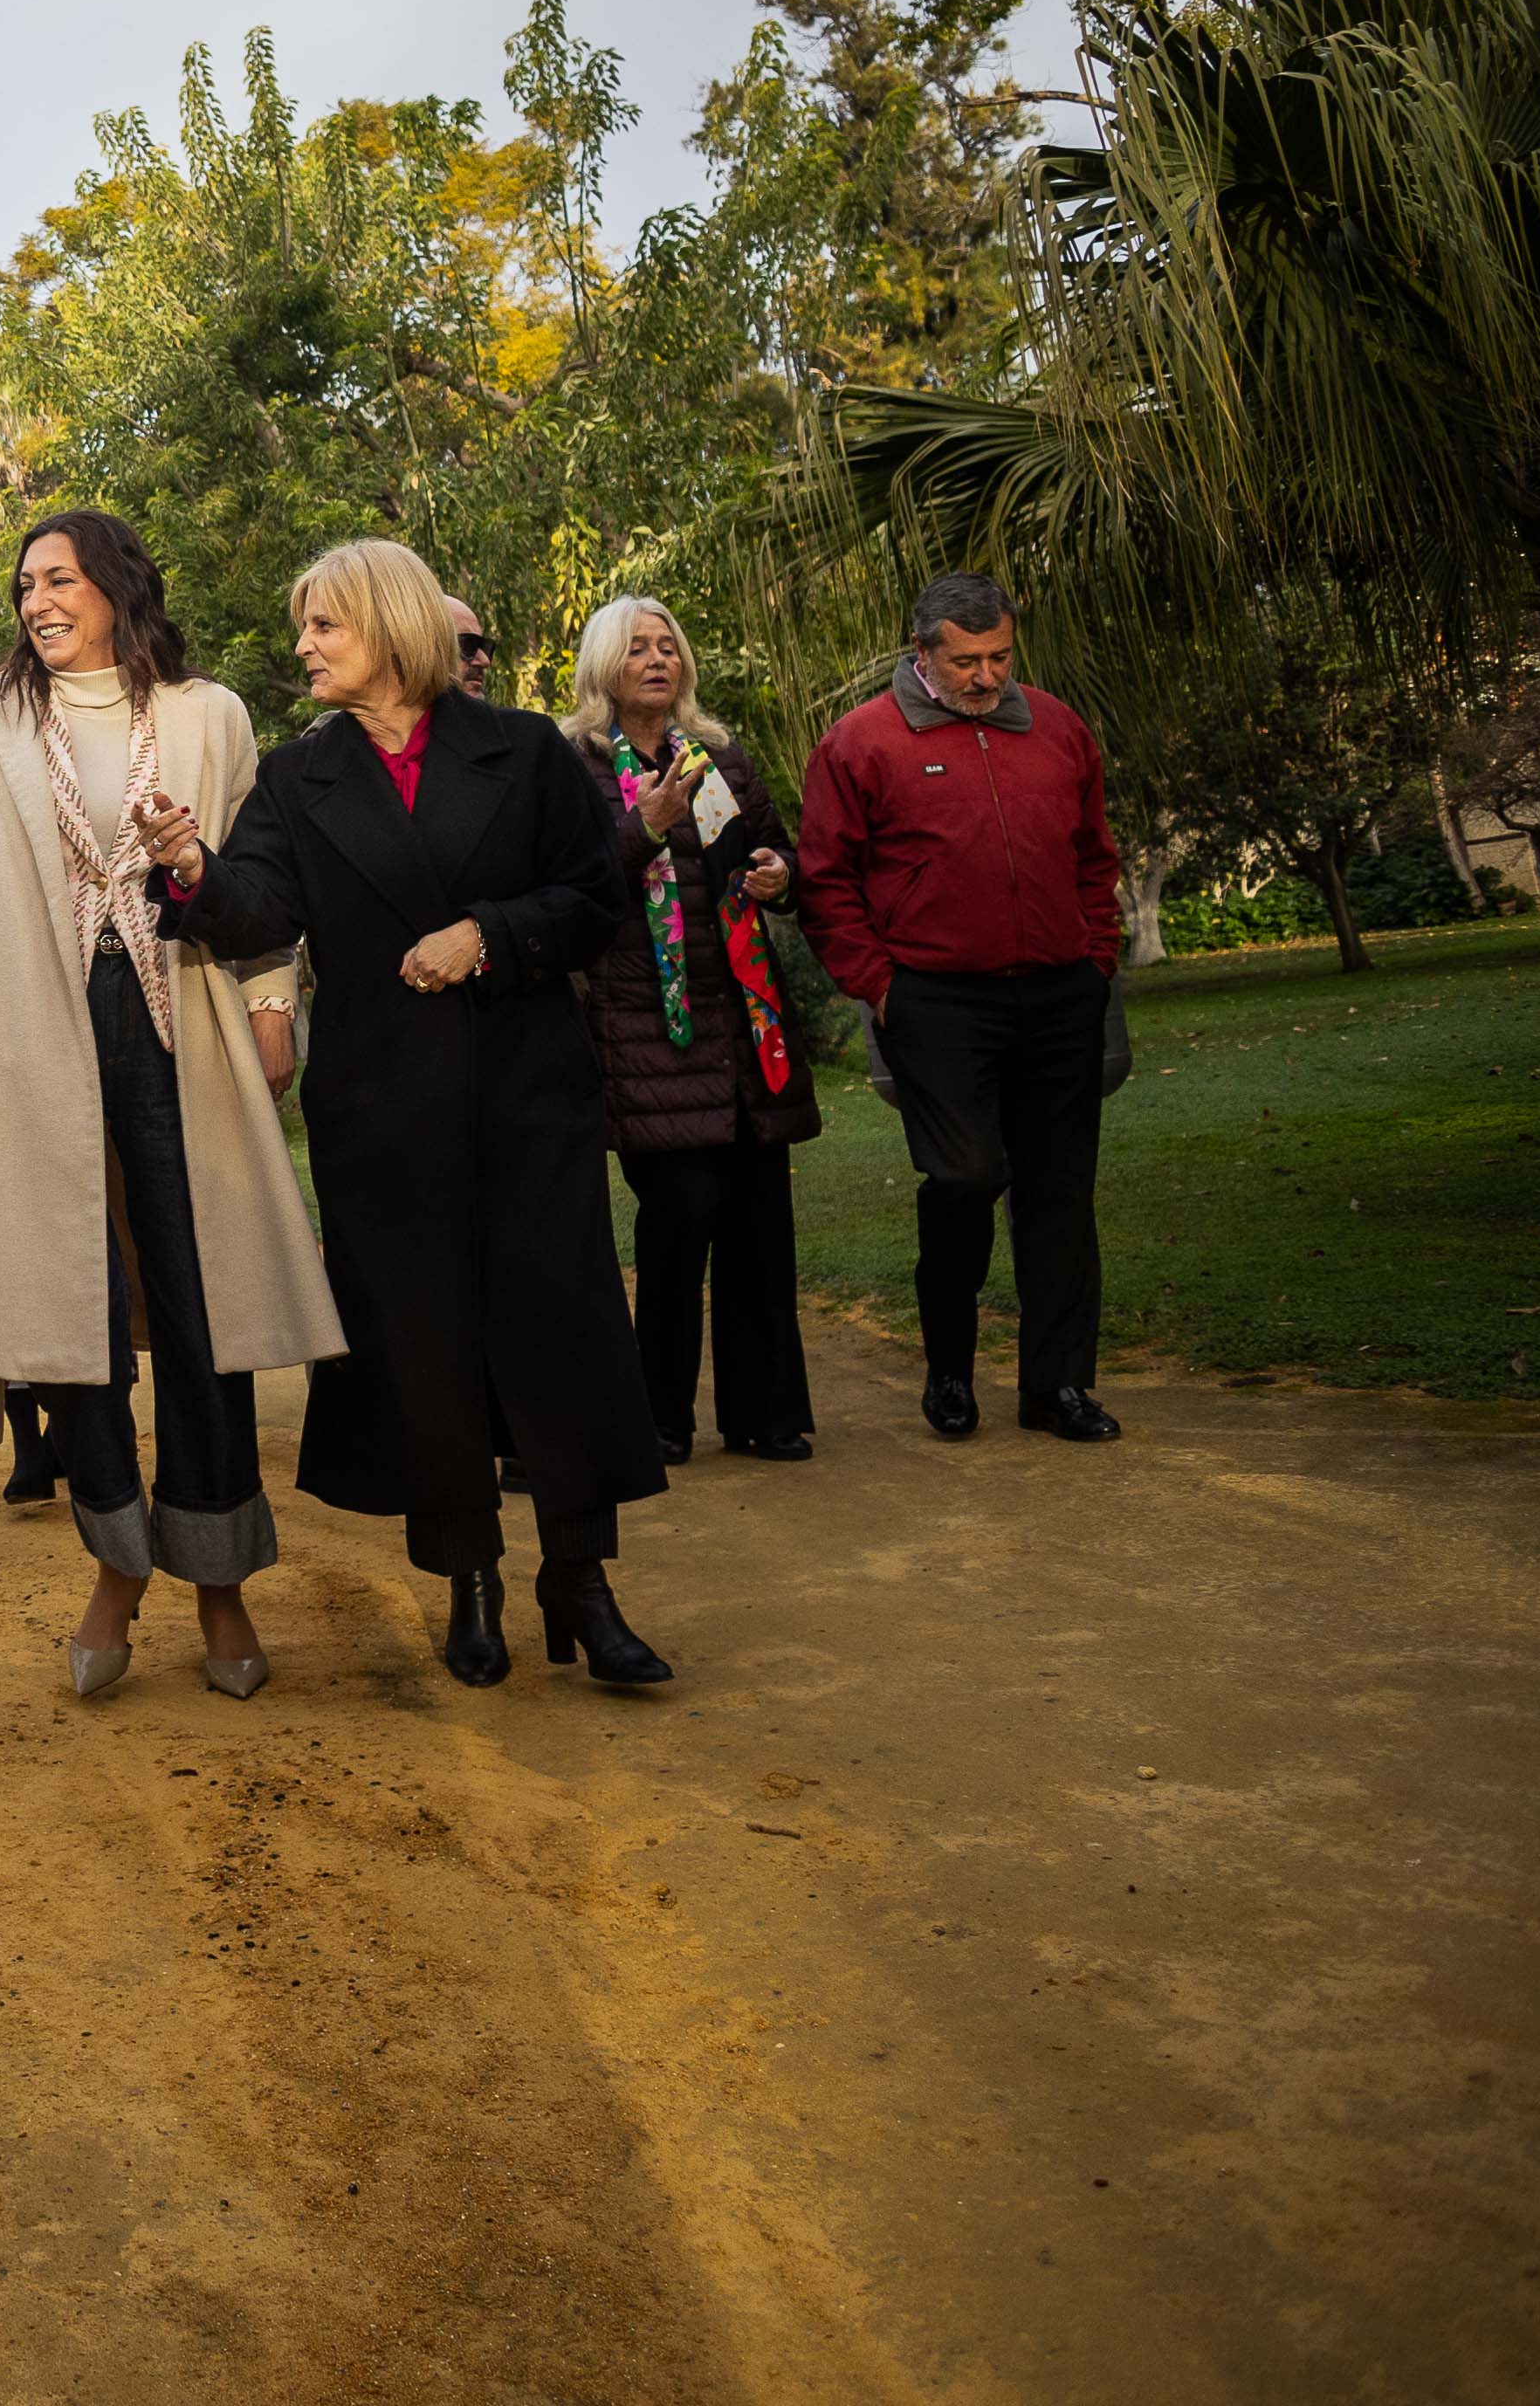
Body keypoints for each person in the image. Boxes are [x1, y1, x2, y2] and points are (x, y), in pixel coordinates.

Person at [155, 534, 676, 1690]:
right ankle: (469, 1581)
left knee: (560, 1335)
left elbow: (593, 898)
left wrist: (489, 935)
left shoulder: (527, 750)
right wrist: (192, 867)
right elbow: (260, 910)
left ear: (390, 630)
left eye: (322, 627)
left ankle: (583, 1583)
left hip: (530, 1098)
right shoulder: (300, 776)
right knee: (425, 1351)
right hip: (384, 1115)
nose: (303, 648)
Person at [0, 511, 344, 1701]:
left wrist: (268, 1007)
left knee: (208, 1309)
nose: (37, 600)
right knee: (71, 1317)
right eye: (24, 585)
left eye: (59, 579)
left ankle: (218, 1578)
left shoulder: (211, 716)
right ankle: (115, 1566)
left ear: (116, 587)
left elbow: (258, 889)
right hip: (32, 1048)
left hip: (183, 1029)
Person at [794, 570, 1127, 1445]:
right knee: (965, 1178)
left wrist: (1097, 956)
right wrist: (881, 985)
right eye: (967, 661)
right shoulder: (860, 743)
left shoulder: (1057, 727)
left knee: (1060, 1193)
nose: (986, 677)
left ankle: (1057, 1388)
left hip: (1060, 993)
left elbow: (1096, 854)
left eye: (1000, 658)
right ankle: (948, 1367)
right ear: (923, 653)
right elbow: (826, 884)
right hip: (935, 1001)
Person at [565, 595, 820, 1466]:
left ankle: (765, 1416)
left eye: (668, 646)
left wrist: (778, 877)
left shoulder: (719, 759)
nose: (656, 660)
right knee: (677, 1222)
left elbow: (778, 862)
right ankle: (660, 1419)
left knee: (757, 1223)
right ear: (605, 663)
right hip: (645, 1032)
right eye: (637, 648)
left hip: (742, 1024)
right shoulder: (578, 766)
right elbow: (577, 889)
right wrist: (647, 826)